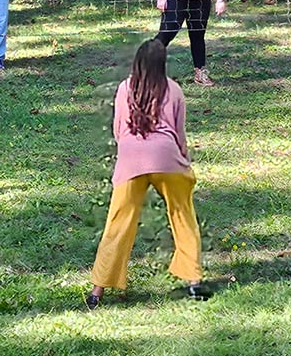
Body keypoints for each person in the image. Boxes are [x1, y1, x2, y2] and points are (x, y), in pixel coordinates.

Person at [86, 39, 209, 309]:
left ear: (138, 62)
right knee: (183, 215)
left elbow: (118, 131)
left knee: (118, 223)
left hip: (131, 161)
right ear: (162, 64)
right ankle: (194, 282)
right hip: (168, 160)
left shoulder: (124, 88)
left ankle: (97, 290)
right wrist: (185, 162)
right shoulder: (174, 89)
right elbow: (180, 136)